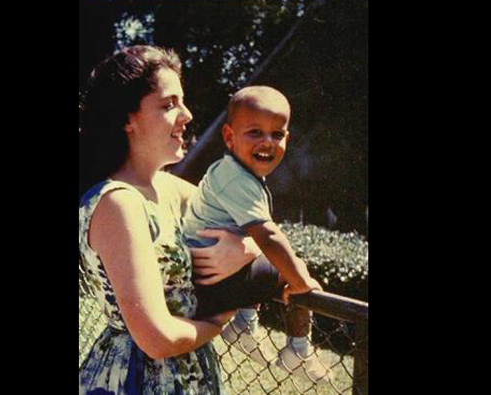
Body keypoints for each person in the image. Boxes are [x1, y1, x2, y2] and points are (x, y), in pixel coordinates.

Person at [78, 45, 259, 395]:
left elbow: (259, 222)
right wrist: (220, 320)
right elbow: (157, 339)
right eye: (168, 104)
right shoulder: (118, 203)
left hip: (190, 373)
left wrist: (245, 246)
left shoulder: (170, 188)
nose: (187, 114)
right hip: (135, 380)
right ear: (127, 119)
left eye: (182, 101)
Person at [183, 86, 329, 382]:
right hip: (211, 277)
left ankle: (244, 322)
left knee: (264, 257)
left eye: (277, 134)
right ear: (228, 137)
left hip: (206, 273)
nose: (267, 142)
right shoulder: (238, 179)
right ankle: (298, 352)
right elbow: (269, 237)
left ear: (287, 139)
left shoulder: (231, 171)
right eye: (255, 132)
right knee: (292, 267)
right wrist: (301, 282)